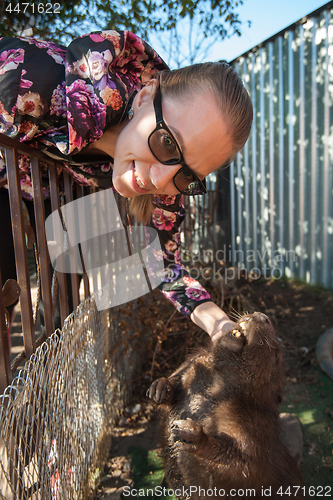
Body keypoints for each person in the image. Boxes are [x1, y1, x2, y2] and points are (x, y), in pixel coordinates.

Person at [0, 30, 253, 341]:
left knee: (61, 306)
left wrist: (220, 325)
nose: (160, 180)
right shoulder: (25, 77)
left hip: (43, 189)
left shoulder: (165, 181)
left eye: (188, 175)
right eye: (167, 142)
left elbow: (166, 266)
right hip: (9, 178)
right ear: (146, 96)